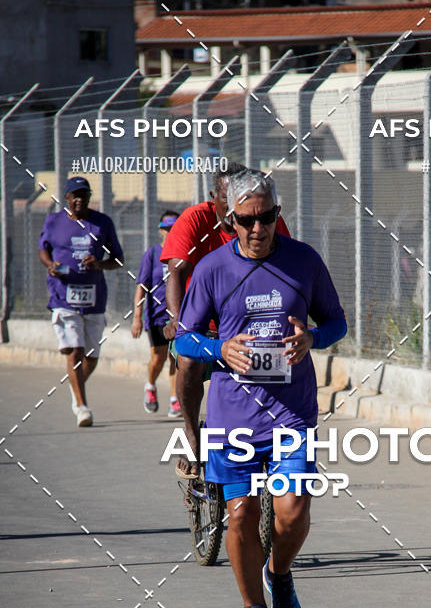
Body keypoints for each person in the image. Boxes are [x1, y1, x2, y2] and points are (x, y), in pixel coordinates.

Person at [174, 170, 347, 608]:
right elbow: (184, 338)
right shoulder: (212, 269)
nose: (258, 229)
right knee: (242, 514)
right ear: (231, 221)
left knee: (293, 510)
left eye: (267, 217)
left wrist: (312, 338)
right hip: (234, 416)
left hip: (291, 413)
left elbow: (337, 322)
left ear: (277, 214)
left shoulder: (303, 261)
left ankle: (280, 572)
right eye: (247, 220)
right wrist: (219, 349)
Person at [160, 162, 290, 477]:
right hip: (205, 326)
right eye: (227, 205)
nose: (240, 218)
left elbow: (287, 269)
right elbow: (176, 270)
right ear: (215, 198)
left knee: (280, 365)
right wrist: (180, 322)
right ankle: (193, 438)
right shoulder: (196, 218)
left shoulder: (265, 218)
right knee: (189, 362)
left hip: (251, 323)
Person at [38, 176, 124, 427]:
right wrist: (50, 265)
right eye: (74, 195)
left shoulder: (102, 223)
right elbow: (43, 250)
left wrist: (99, 264)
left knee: (92, 357)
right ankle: (82, 406)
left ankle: (75, 390)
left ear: (89, 197)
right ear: (66, 198)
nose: (79, 200)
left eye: (83, 195)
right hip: (63, 296)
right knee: (74, 350)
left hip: (94, 298)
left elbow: (118, 259)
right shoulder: (53, 222)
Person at [130, 211, 182, 417]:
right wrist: (137, 317)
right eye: (166, 229)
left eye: (174, 229)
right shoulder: (152, 254)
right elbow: (141, 288)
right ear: (161, 230)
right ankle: (150, 386)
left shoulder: (183, 254)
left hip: (177, 317)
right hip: (156, 317)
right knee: (158, 358)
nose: (170, 233)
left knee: (176, 358)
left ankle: (174, 400)